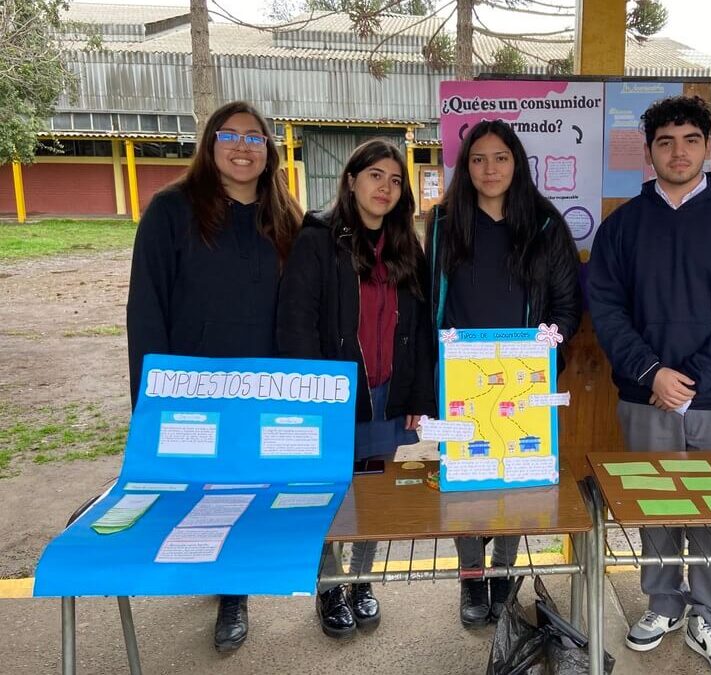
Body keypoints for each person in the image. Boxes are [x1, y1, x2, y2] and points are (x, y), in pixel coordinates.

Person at [587, 95, 711, 675]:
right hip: (646, 396)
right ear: (649, 152)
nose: (678, 151)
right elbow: (607, 309)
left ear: (708, 148)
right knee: (657, 505)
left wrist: (693, 380)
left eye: (691, 140)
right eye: (665, 142)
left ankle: (710, 620)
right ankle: (662, 604)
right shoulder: (623, 226)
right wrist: (652, 374)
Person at [126, 100, 303, 653]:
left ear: (269, 150)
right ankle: (219, 579)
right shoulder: (170, 210)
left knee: (248, 488)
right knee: (203, 489)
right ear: (210, 144)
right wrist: (150, 394)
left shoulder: (287, 217)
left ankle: (234, 590)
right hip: (194, 384)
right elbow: (146, 307)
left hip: (264, 385)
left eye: (255, 137)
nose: (243, 146)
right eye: (230, 135)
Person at [425, 119, 582, 628]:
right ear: (465, 166)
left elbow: (566, 306)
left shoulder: (544, 224)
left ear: (517, 163)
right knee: (466, 480)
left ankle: (503, 575)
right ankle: (471, 581)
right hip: (460, 382)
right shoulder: (443, 223)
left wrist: (544, 352)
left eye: (500, 158)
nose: (489, 169)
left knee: (516, 474)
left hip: (524, 380)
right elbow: (429, 302)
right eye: (478, 159)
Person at [276, 139, 435, 639]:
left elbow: (422, 328)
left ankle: (362, 580)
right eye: (374, 176)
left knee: (373, 494)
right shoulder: (318, 239)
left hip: (389, 395)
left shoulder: (407, 244)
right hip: (335, 398)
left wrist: (417, 398)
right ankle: (329, 586)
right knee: (327, 493)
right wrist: (314, 399)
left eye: (394, 180)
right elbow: (297, 323)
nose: (384, 187)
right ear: (351, 181)